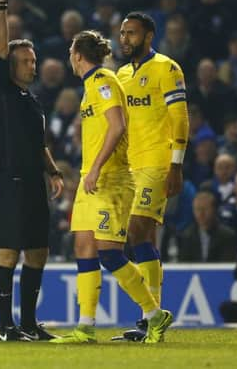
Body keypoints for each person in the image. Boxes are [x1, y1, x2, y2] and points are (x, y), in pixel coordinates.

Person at [51, 30, 172, 345]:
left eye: (70, 51)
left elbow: (118, 126)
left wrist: (95, 168)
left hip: (112, 178)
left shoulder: (103, 80)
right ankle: (86, 326)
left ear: (77, 54)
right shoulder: (90, 85)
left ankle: (155, 315)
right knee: (83, 248)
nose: (69, 57)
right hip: (92, 179)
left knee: (109, 253)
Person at [0, 0, 64, 342]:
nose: (32, 66)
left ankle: (30, 325)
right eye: (26, 61)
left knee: (38, 253)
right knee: (8, 252)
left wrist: (53, 170)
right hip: (12, 181)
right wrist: (2, 6)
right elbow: (1, 46)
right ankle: (6, 327)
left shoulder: (31, 101)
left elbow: (38, 143)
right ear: (10, 66)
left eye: (34, 60)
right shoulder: (3, 91)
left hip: (33, 181)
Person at [113, 12, 189, 341]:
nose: (124, 39)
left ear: (148, 36)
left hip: (158, 162)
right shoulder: (121, 74)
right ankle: (150, 320)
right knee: (145, 239)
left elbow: (180, 117)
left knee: (137, 231)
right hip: (129, 165)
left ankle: (150, 316)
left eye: (131, 34)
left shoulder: (167, 68)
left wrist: (177, 164)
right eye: (122, 33)